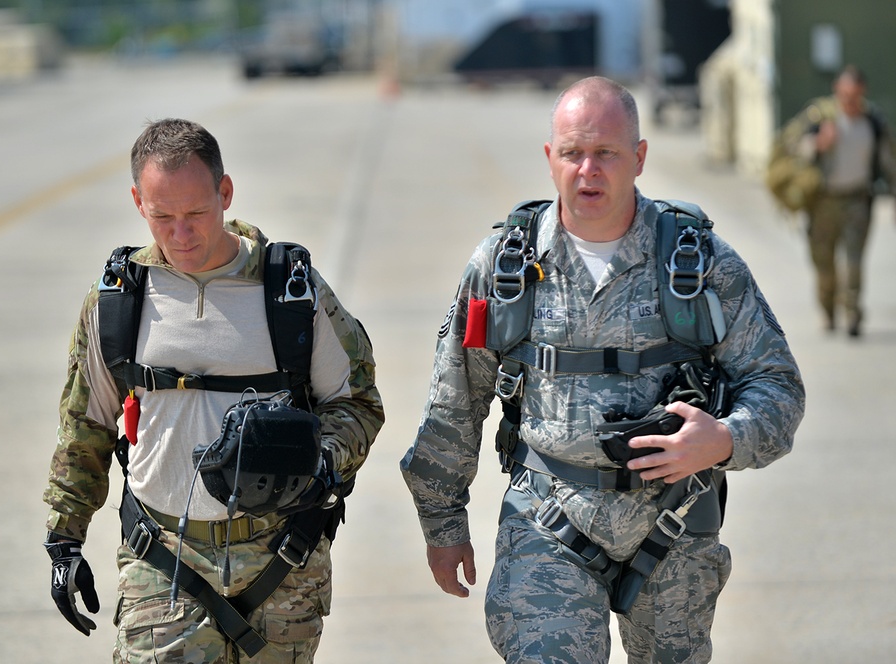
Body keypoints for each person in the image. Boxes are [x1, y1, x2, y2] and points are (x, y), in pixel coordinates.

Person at [400, 77, 804, 663]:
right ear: (550, 158)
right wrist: (443, 521)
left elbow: (778, 386)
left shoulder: (697, 262)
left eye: (607, 153)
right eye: (572, 153)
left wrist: (723, 439)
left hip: (674, 524)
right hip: (547, 520)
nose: (588, 170)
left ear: (639, 157)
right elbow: (455, 400)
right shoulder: (505, 268)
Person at [42, 118, 384, 663]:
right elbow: (86, 425)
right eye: (162, 216)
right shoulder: (117, 302)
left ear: (225, 193)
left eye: (197, 213)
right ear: (137, 202)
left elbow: (359, 404)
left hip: (283, 557)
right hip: (163, 559)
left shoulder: (291, 293)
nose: (181, 235)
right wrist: (65, 537)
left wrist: (320, 463)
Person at [776, 65, 896, 336]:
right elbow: (790, 148)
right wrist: (817, 143)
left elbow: (889, 161)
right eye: (845, 95)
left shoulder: (872, 121)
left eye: (855, 96)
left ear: (862, 93)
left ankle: (852, 314)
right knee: (824, 263)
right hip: (823, 202)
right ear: (836, 92)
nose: (850, 101)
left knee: (854, 261)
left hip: (858, 200)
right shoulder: (820, 117)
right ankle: (828, 310)